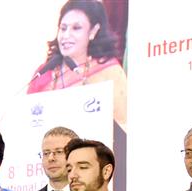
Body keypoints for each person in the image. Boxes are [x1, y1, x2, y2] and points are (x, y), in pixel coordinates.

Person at [27, 0, 127, 129]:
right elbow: (28, 120)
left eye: (76, 28)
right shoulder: (44, 73)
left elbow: (124, 124)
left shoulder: (109, 72)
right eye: (63, 28)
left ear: (93, 31)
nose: (66, 35)